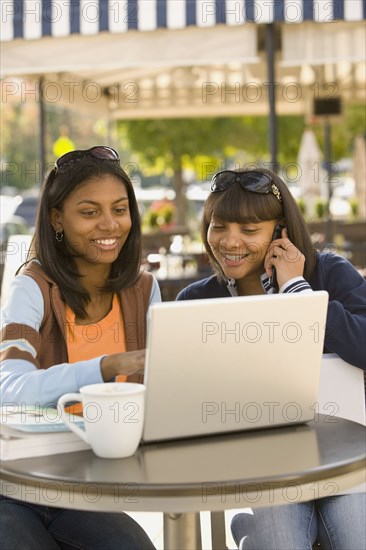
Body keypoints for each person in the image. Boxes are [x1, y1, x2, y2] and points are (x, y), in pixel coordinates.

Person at [176, 168, 366, 550]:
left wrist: (297, 290)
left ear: (280, 231)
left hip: (343, 459)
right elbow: (182, 402)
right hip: (258, 468)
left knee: (355, 533)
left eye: (249, 231)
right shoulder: (196, 301)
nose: (230, 242)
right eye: (219, 226)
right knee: (276, 539)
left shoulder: (329, 273)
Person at [0, 146, 160, 550]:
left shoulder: (143, 291)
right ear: (57, 217)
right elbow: (8, 387)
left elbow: (165, 384)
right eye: (89, 212)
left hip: (84, 489)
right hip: (15, 481)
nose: (110, 224)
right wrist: (104, 367)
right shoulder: (32, 287)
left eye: (119, 209)